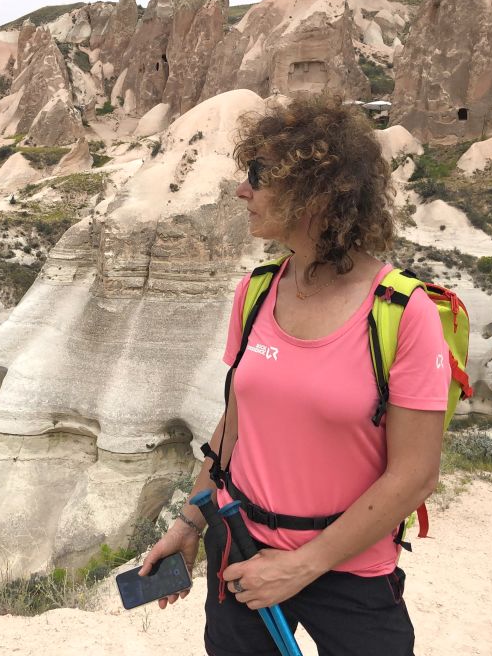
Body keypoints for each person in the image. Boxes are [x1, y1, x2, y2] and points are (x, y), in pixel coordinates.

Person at [139, 94, 449, 656]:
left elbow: (415, 475)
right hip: (242, 551)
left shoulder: (402, 311)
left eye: (258, 177)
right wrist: (189, 523)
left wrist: (302, 567)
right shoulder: (256, 291)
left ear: (316, 194)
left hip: (349, 571)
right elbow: (235, 425)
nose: (242, 191)